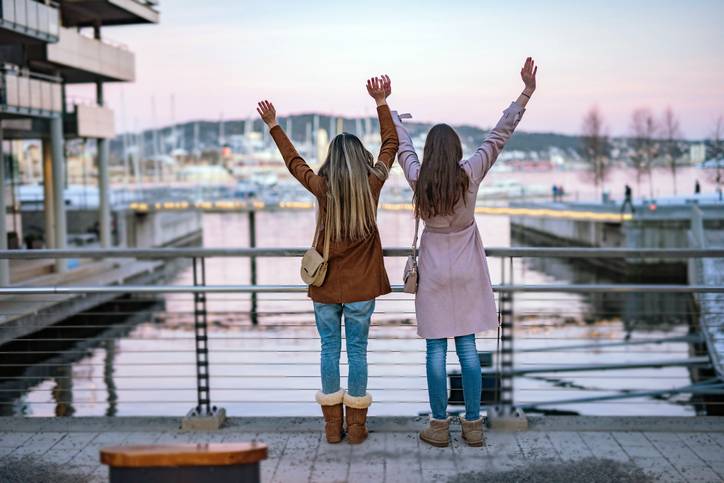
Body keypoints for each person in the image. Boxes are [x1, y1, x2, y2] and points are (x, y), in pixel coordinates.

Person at [392, 57, 537, 447]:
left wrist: (392, 116)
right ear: (455, 148)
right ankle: (473, 425)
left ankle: (439, 426)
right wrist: (525, 92)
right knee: (468, 347)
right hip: (469, 269)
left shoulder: (419, 179)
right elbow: (497, 136)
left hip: (435, 274)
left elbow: (403, 149)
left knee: (436, 349)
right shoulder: (469, 174)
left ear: (430, 151)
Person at [256, 76, 398, 444]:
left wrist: (274, 125)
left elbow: (294, 162)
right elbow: (390, 145)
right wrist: (381, 102)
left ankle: (333, 429)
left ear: (332, 161)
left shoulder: (322, 188)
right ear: (360, 161)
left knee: (329, 350)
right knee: (358, 351)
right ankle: (358, 429)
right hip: (362, 286)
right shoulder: (372, 185)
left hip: (324, 285)